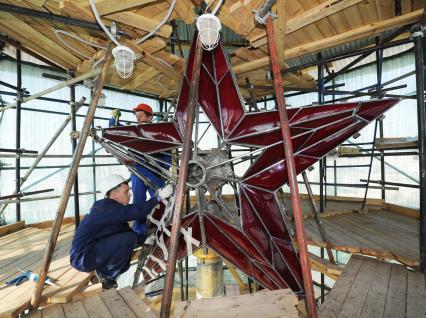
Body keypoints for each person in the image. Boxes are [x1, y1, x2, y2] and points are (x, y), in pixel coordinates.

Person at [70, 174, 173, 289]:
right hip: (82, 257)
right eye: (126, 192)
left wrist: (144, 239)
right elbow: (135, 212)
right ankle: (105, 275)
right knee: (128, 239)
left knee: (128, 244)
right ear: (114, 195)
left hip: (88, 252)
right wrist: (158, 198)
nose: (130, 194)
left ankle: (105, 271)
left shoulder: (110, 209)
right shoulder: (106, 208)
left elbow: (121, 229)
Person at [109, 103, 171, 243]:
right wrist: (114, 122)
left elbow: (167, 160)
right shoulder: (134, 133)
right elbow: (119, 131)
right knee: (138, 201)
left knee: (165, 199)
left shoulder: (158, 134)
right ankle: (140, 231)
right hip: (137, 172)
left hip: (153, 172)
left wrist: (158, 165)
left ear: (150, 117)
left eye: (141, 116)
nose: (138, 119)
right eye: (137, 116)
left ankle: (166, 225)